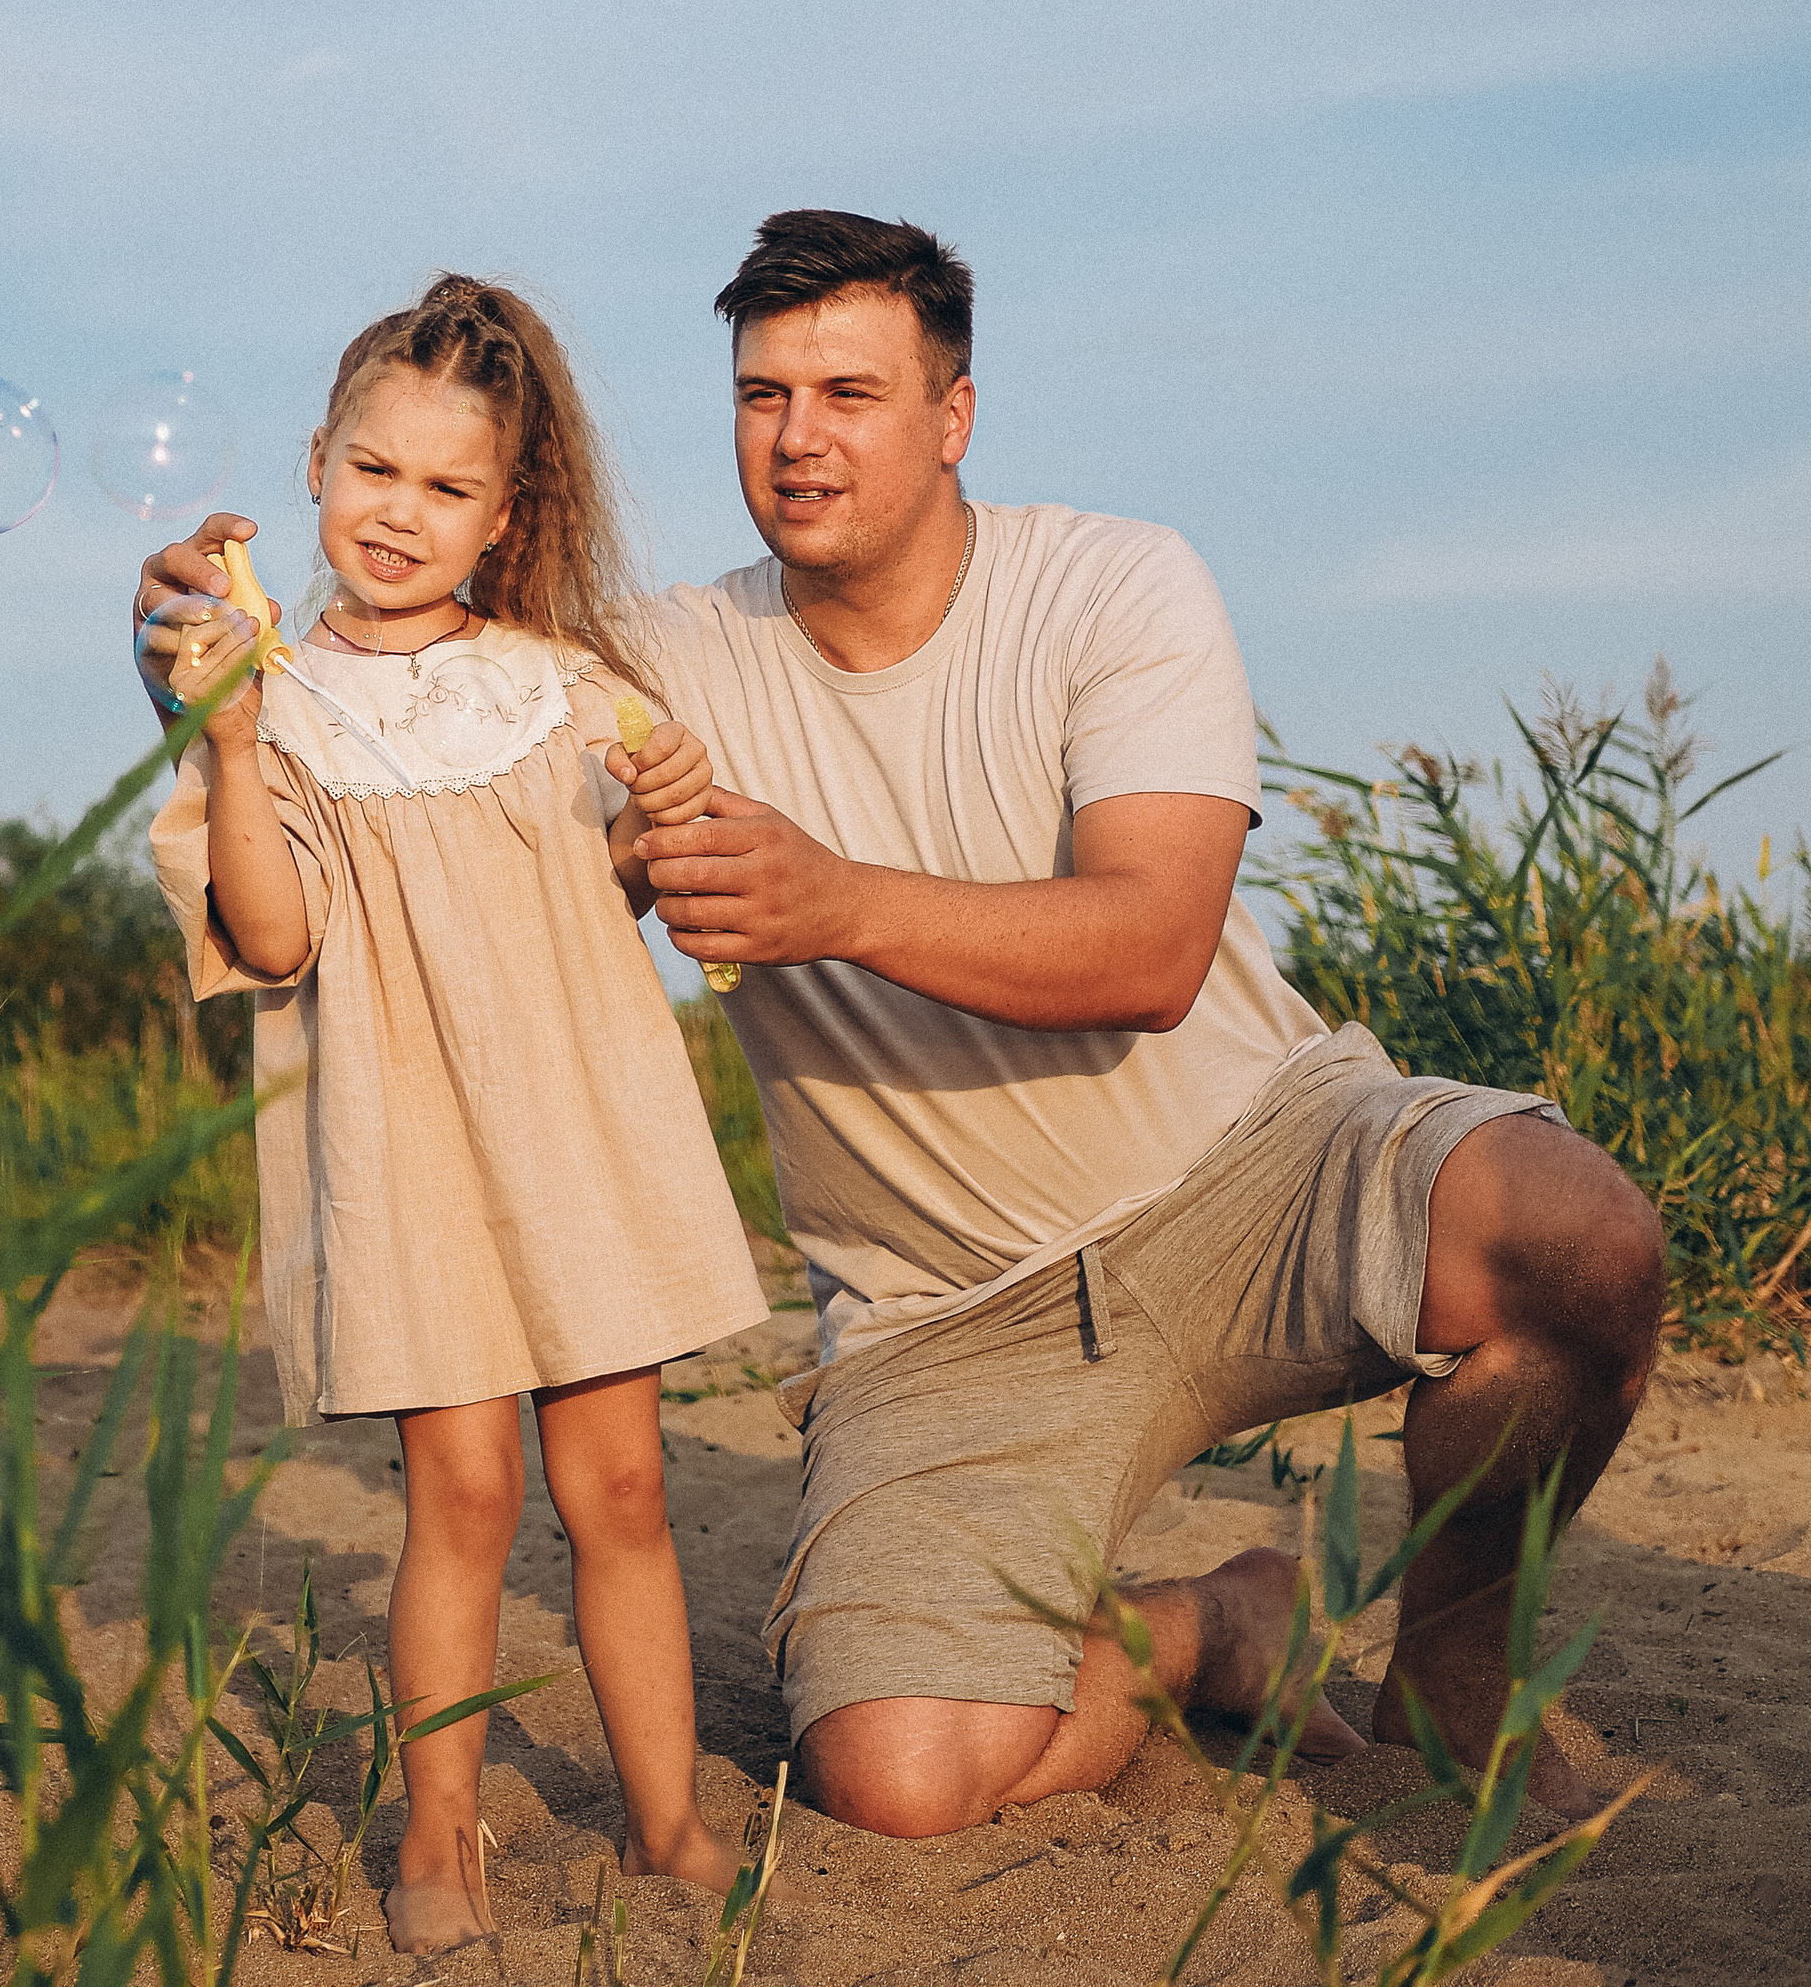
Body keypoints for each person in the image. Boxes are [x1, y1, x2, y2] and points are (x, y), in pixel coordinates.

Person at [137, 213, 1666, 1841]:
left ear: (953, 414)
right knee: (898, 1776)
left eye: (850, 390)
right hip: (946, 1316)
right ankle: (1224, 1624)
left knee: (1578, 1240)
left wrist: (837, 903)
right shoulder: (627, 670)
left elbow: (1152, 944)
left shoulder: (1117, 581)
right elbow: (402, 763)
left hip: (1256, 1165)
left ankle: (1452, 1672)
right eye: (760, 392)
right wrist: (192, 673)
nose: (798, 436)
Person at [141, 275, 770, 1948]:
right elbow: (271, 936)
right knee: (466, 1493)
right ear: (317, 467)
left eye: (443, 486)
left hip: (579, 1132)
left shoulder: (560, 686)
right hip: (405, 1150)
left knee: (622, 1484)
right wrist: (233, 744)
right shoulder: (274, 702)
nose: (397, 513)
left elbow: (635, 879)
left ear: (504, 513)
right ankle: (442, 1835)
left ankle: (666, 1818)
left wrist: (670, 812)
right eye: (371, 469)